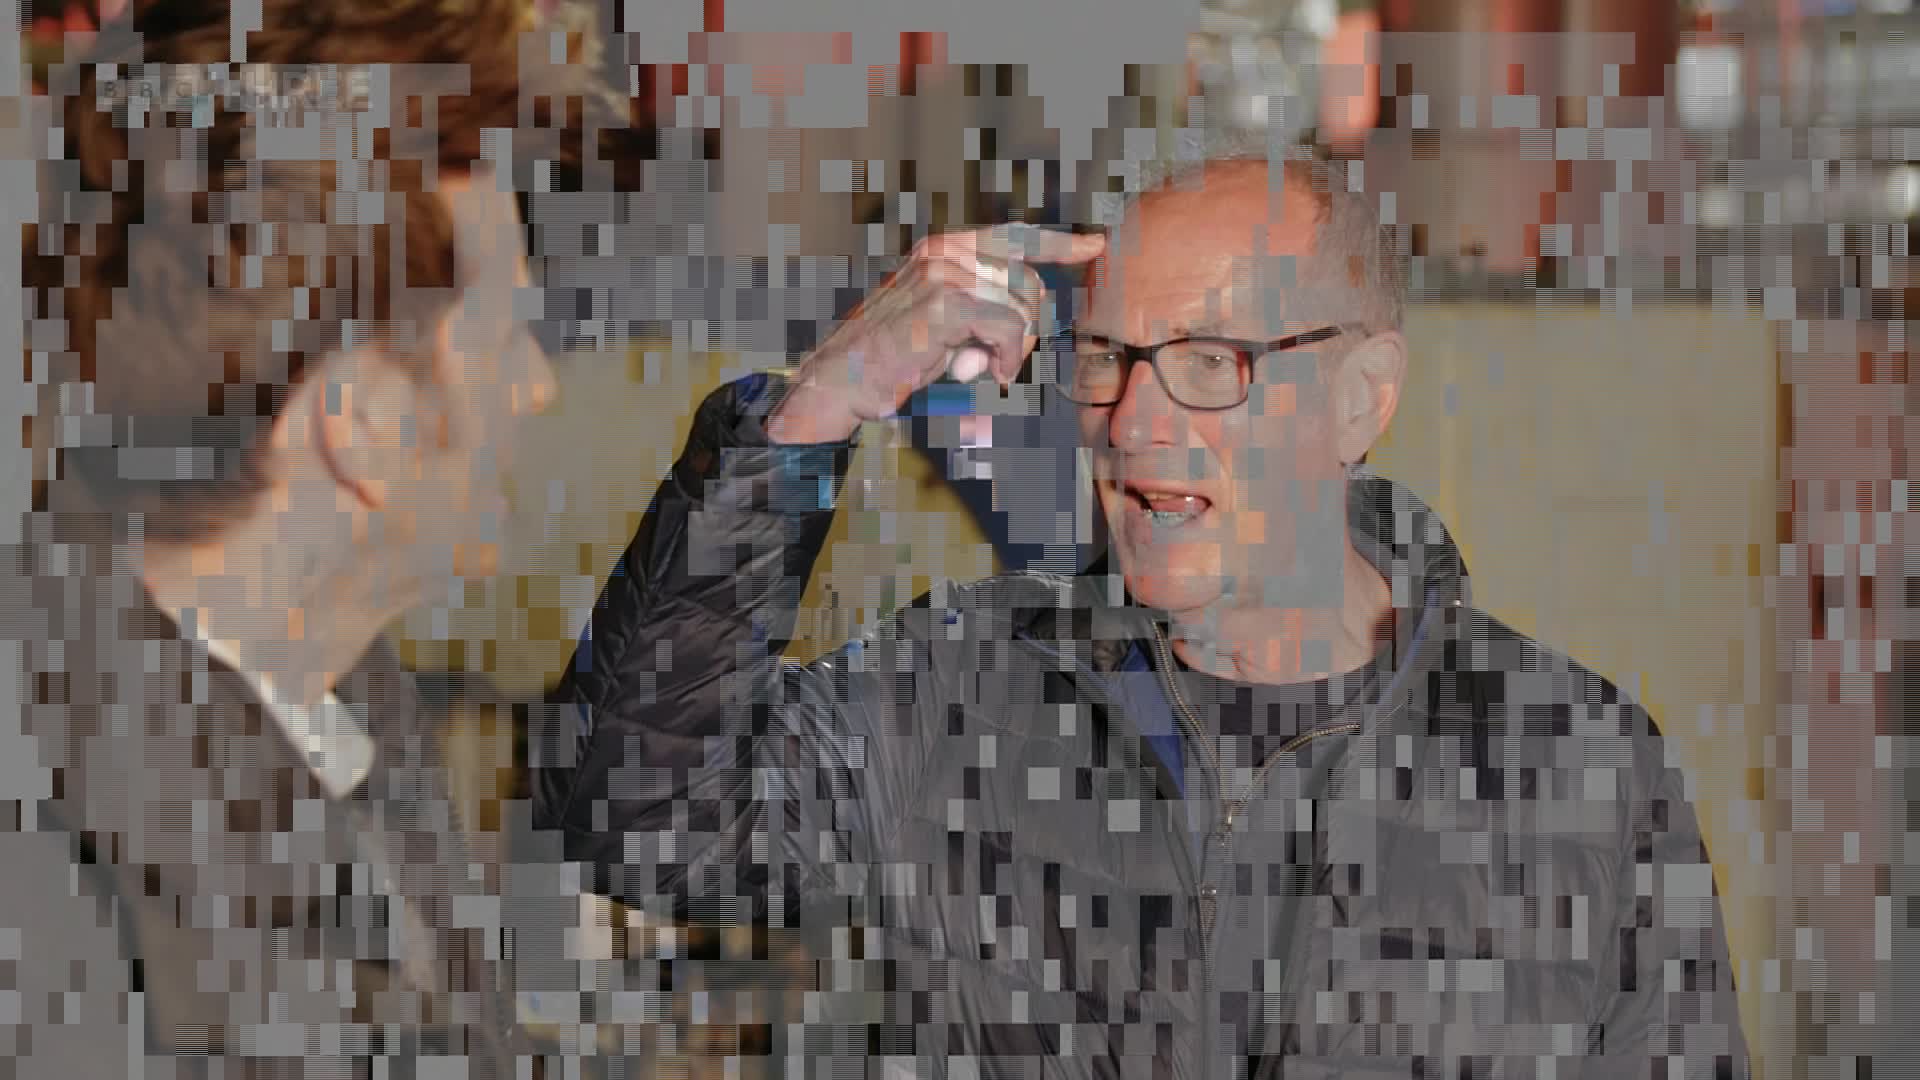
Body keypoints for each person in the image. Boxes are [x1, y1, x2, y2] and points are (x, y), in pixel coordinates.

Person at [535, 139, 1750, 1078]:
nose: (1136, 422)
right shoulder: (964, 692)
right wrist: (814, 408)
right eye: (1109, 358)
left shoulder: (1573, 764)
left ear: (1359, 398)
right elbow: (641, 820)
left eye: (1214, 361)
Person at [0, 0, 610, 1074]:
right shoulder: (56, 905)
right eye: (507, 335)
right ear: (359, 421)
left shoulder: (337, 704)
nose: (537, 386)